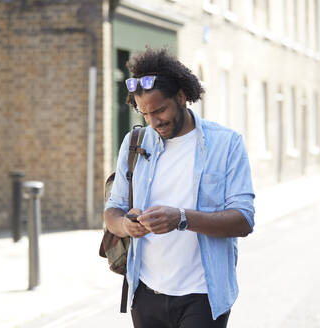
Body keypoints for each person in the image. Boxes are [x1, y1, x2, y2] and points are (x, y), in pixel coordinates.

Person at [104, 48, 255, 328]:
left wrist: (181, 218)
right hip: (146, 292)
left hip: (203, 295)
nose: (154, 121)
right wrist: (127, 226)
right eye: (145, 113)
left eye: (160, 109)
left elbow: (244, 220)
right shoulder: (135, 142)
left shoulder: (226, 143)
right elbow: (112, 211)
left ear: (182, 97)